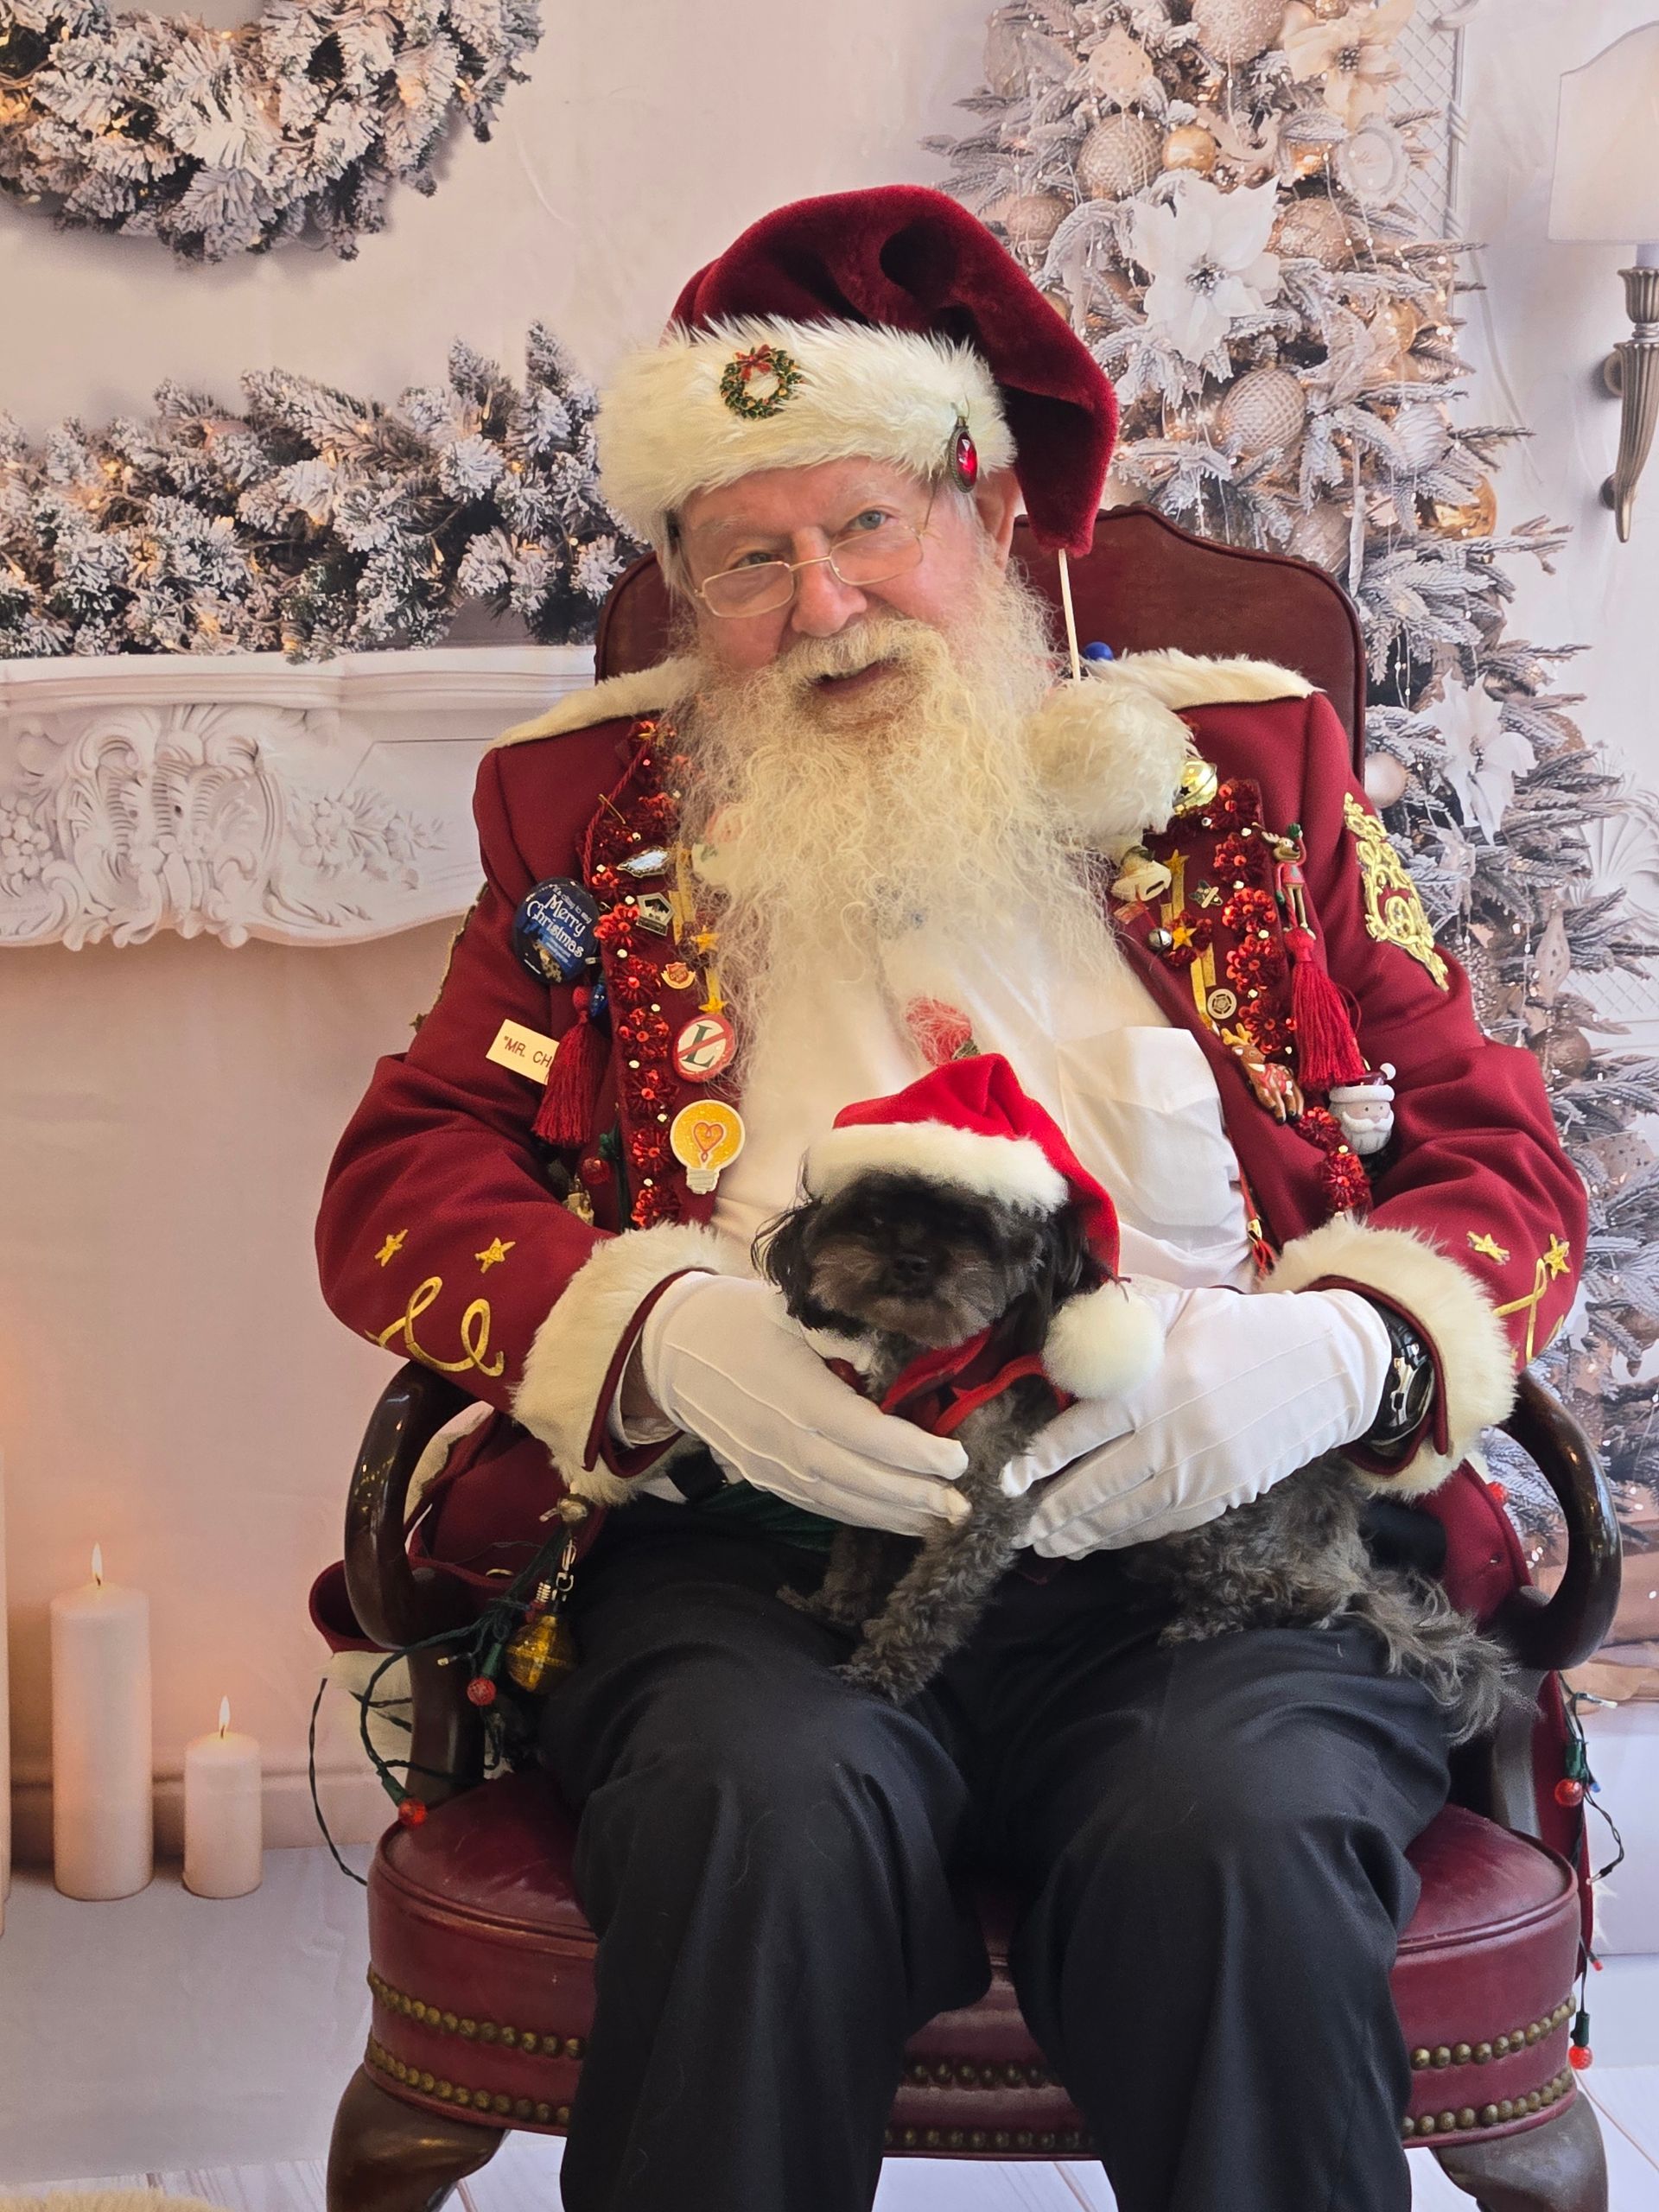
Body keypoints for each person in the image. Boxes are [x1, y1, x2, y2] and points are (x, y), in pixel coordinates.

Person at [314, 187, 1586, 2212]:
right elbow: (405, 1179)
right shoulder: (590, 827)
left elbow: (1493, 1146)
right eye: (749, 558)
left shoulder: (1246, 783)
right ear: (682, 595)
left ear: (989, 514)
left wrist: (1334, 1351)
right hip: (762, 1562)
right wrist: (660, 1339)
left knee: (1234, 1831)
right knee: (761, 1804)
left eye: (865, 527)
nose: (821, 607)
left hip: (1220, 1548)